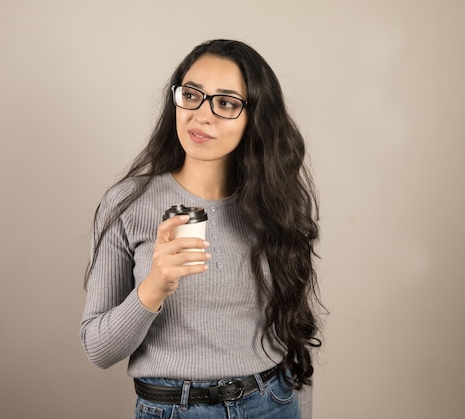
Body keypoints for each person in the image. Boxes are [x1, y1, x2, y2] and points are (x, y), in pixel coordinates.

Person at [80, 39, 323, 419]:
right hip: (177, 410)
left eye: (226, 103)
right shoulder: (128, 204)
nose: (201, 115)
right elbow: (98, 349)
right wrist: (153, 288)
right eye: (191, 95)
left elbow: (294, 336)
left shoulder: (274, 205)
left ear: (254, 117)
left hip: (272, 402)